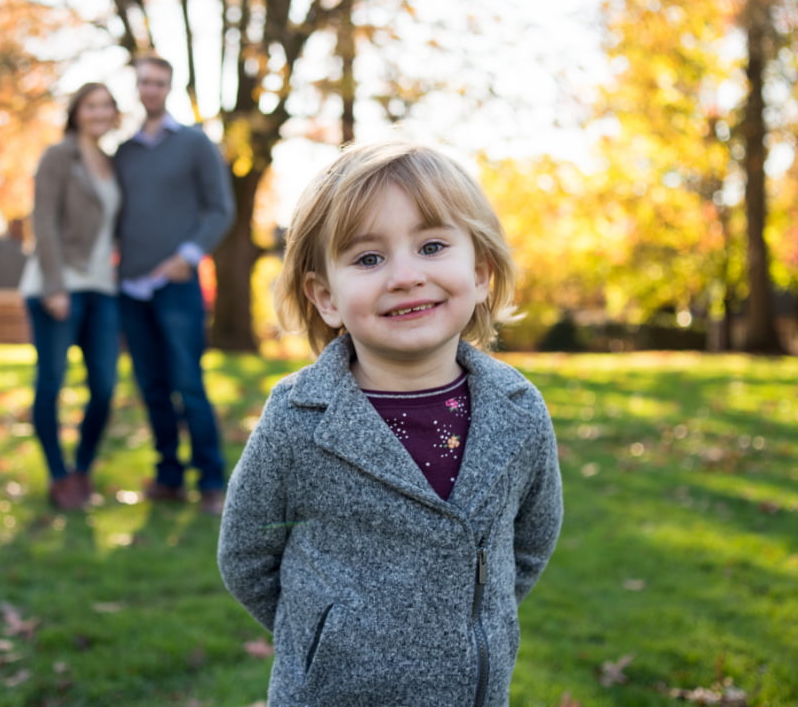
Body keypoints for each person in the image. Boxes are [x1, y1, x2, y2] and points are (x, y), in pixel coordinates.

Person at [217, 140, 563, 706]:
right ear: (326, 297)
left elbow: (530, 539)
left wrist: (477, 617)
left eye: (431, 246)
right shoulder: (298, 418)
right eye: (368, 259)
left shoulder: (518, 410)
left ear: (479, 273)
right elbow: (246, 552)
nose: (405, 276)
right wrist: (323, 631)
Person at [113, 55, 234, 516]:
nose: (150, 89)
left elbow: (220, 210)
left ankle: (210, 482)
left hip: (177, 287)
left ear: (169, 87)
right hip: (131, 288)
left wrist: (187, 257)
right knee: (152, 385)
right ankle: (168, 476)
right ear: (137, 87)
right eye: (143, 82)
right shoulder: (124, 153)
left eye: (159, 82)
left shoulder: (195, 144)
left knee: (189, 382)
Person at [20, 82, 122, 511]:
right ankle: (59, 476)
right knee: (52, 380)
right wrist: (55, 285)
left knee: (103, 386)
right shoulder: (59, 156)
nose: (99, 113)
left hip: (102, 287)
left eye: (107, 106)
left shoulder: (113, 164)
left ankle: (81, 469)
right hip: (58, 286)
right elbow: (42, 220)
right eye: (91, 105)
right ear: (77, 111)